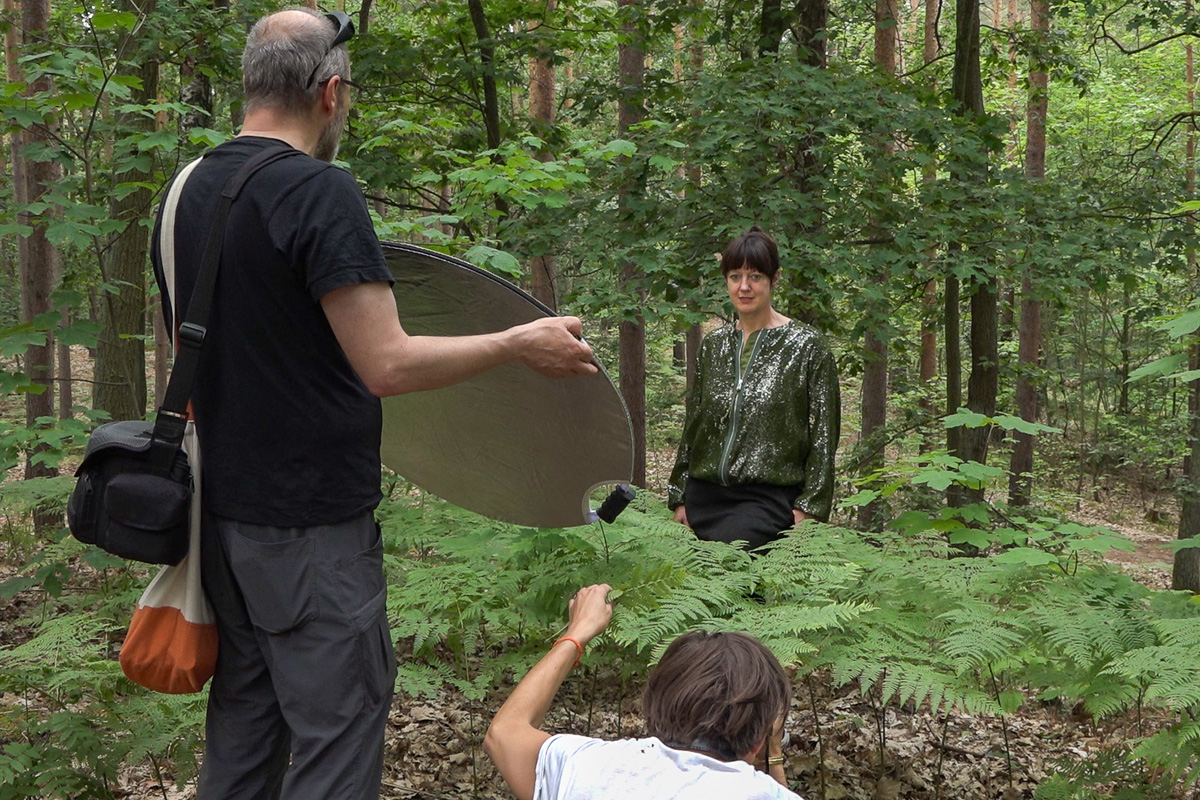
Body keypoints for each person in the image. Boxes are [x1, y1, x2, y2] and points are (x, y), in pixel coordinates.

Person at [150, 8, 596, 800]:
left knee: (244, 739)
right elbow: (386, 363)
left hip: (218, 523)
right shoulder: (320, 193)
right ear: (330, 91)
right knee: (338, 735)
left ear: (252, 83)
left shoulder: (185, 191)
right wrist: (515, 343)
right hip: (311, 534)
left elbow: (195, 357)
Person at [484, 584, 800, 800]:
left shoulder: (586, 766)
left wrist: (578, 632)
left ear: (653, 703)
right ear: (760, 736)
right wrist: (773, 757)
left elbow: (504, 733)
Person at [668, 227, 840, 550]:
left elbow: (823, 435)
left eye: (755, 276)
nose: (744, 287)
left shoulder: (808, 347)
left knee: (730, 576)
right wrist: (680, 495)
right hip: (704, 496)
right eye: (735, 276)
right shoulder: (714, 346)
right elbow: (695, 424)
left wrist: (810, 508)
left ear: (774, 279)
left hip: (767, 500)